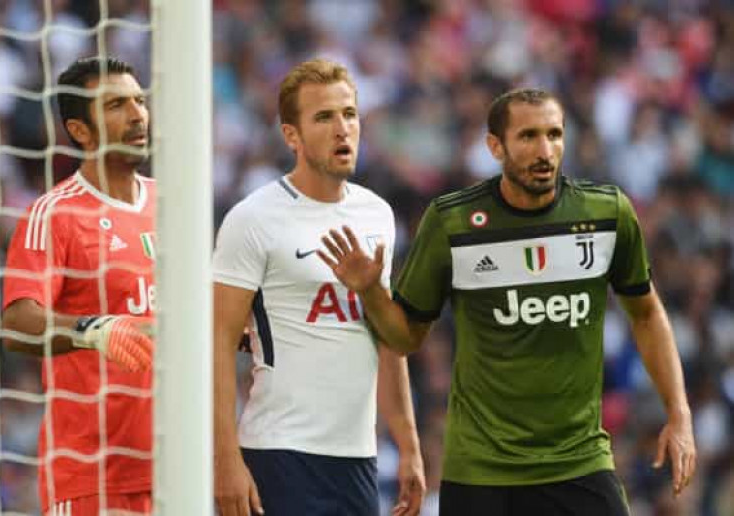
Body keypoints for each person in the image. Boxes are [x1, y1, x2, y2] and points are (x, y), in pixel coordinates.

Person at [318, 88, 697, 515]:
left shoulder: (606, 214)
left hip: (579, 460)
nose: (545, 151)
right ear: (495, 146)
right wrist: (371, 291)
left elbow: (646, 313)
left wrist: (678, 412)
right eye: (528, 136)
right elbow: (405, 338)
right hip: (482, 470)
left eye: (554, 135)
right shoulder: (453, 222)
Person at [212, 58, 426, 516]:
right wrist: (225, 459)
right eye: (324, 117)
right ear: (291, 135)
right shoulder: (253, 219)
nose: (342, 129)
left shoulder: (377, 214)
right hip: (279, 452)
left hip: (357, 458)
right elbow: (218, 343)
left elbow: (387, 337)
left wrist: (408, 444)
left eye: (349, 114)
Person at [2, 56, 155, 516]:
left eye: (139, 100)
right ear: (80, 130)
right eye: (115, 105)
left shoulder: (172, 204)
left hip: (179, 465)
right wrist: (95, 330)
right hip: (93, 477)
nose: (137, 114)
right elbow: (17, 323)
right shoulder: (55, 214)